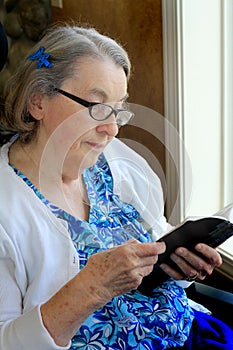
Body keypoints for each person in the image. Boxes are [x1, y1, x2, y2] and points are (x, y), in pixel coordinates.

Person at [0, 24, 232, 350]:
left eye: (119, 110)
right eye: (97, 107)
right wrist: (91, 287)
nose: (112, 129)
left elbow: (157, 230)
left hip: (188, 330)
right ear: (38, 102)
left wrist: (176, 259)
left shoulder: (116, 160)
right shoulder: (6, 208)